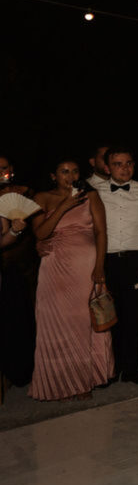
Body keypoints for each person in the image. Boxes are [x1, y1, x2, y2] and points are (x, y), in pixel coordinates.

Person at [27, 160, 114, 400]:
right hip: (54, 268)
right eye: (64, 171)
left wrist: (99, 266)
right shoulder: (42, 198)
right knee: (55, 325)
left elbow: (100, 232)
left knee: (81, 323)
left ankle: (84, 381)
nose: (70, 175)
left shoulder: (91, 196)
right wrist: (64, 205)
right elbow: (41, 233)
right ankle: (59, 384)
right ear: (53, 175)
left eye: (75, 171)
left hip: (85, 266)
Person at [99, 146, 138, 385]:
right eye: (118, 164)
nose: (124, 168)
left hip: (137, 261)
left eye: (128, 163)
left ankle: (132, 369)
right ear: (107, 167)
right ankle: (108, 370)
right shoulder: (95, 192)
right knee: (108, 318)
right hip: (107, 262)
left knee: (135, 318)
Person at [0, 156, 37, 388]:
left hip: (16, 267)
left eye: (4, 167)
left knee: (13, 321)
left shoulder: (14, 196)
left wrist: (15, 230)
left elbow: (3, 239)